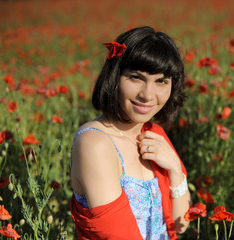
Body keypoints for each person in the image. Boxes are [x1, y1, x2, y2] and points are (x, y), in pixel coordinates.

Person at [70, 26, 192, 240]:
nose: (147, 95)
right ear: (115, 77)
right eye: (136, 77)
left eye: (161, 81)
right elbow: (119, 235)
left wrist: (174, 168)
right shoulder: (95, 143)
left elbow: (180, 225)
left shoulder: (154, 134)